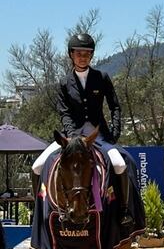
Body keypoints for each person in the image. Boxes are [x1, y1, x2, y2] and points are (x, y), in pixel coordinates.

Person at [31, 33, 133, 227]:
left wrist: (114, 131)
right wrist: (72, 138)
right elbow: (64, 112)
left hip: (99, 135)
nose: (82, 56)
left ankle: (124, 211)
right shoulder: (63, 82)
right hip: (71, 137)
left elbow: (115, 106)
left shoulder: (101, 77)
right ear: (71, 55)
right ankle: (38, 212)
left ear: (91, 55)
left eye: (87, 53)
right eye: (78, 53)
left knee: (120, 164)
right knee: (37, 166)